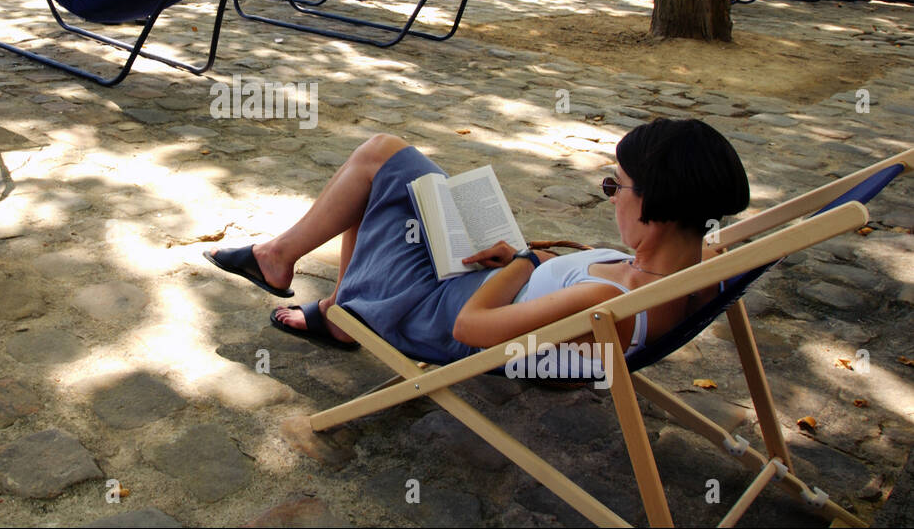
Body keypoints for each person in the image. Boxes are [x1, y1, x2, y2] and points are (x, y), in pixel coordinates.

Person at [203, 119, 749, 365]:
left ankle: (313, 288)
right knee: (396, 171)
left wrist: (526, 263)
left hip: (445, 319)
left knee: (381, 164)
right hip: (490, 282)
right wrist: (520, 261)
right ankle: (330, 299)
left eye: (615, 186)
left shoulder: (608, 302)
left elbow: (472, 330)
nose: (610, 199)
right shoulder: (699, 266)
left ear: (656, 208)